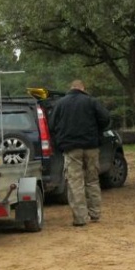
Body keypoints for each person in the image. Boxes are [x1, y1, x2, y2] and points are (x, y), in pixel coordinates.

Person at [49, 79, 112, 226]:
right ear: (83, 88)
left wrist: (60, 138)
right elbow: (106, 118)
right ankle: (95, 213)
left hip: (71, 148)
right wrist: (97, 131)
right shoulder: (91, 101)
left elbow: (52, 125)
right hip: (91, 147)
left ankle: (80, 218)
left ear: (71, 88)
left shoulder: (60, 104)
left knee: (75, 182)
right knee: (92, 180)